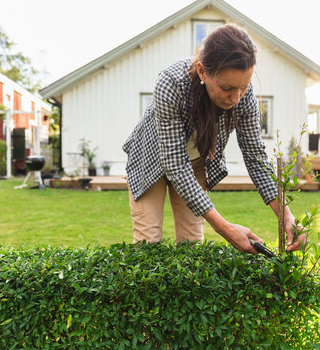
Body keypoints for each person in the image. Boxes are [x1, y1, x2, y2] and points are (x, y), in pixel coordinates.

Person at [122, 24, 307, 254]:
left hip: (195, 161)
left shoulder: (242, 95)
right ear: (202, 71)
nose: (237, 98)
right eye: (227, 88)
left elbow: (255, 155)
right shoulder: (171, 83)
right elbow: (174, 163)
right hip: (150, 160)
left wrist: (285, 215)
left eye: (244, 87)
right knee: (148, 244)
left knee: (191, 248)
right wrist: (225, 228)